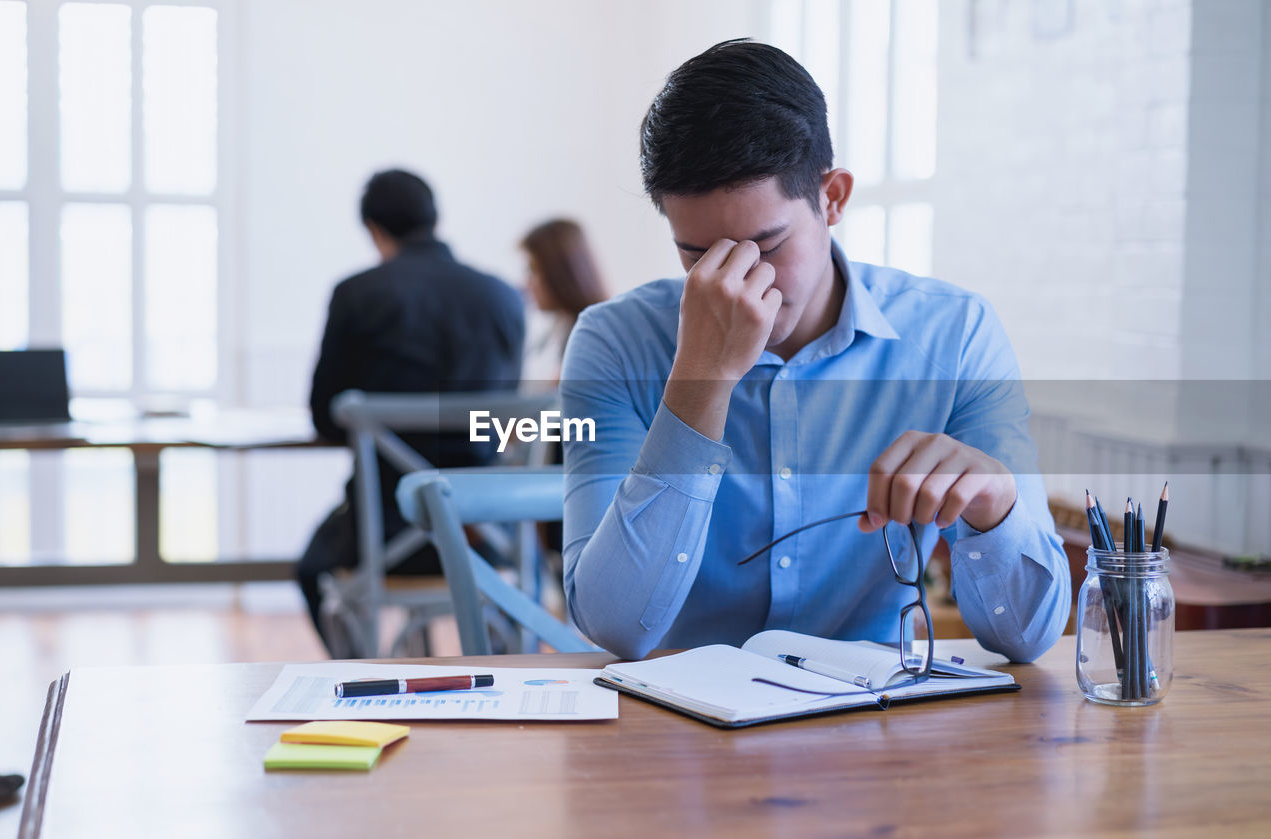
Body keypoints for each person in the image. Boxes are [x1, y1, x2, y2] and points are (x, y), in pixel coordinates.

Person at [560, 40, 1069, 662]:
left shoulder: (955, 334)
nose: (739, 283)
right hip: (679, 731)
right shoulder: (614, 343)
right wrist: (702, 378)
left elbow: (1028, 637)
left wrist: (995, 506)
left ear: (833, 198)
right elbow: (615, 625)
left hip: (877, 723)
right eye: (698, 255)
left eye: (767, 244)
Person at [298, 168, 525, 650]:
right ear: (434, 218)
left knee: (309, 567)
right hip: (482, 535)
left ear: (375, 230)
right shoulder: (503, 298)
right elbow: (507, 423)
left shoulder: (357, 294)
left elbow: (322, 415)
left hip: (382, 538)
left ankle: (362, 680)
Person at [519, 218, 609, 383]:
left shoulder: (594, 339)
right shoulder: (556, 329)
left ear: (559, 272)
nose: (527, 283)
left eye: (533, 270)